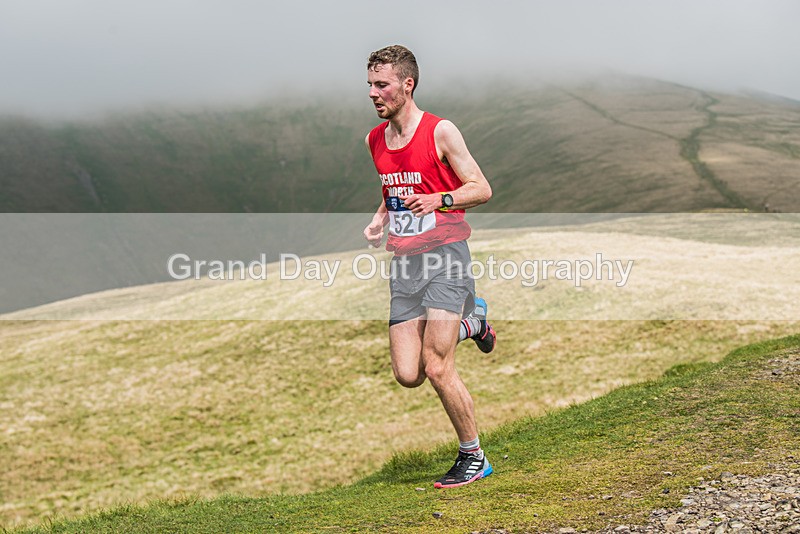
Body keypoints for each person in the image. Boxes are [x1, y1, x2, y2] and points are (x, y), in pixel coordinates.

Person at [362, 44, 497, 489]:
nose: (373, 94)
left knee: (438, 365)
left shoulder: (441, 132)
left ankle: (473, 456)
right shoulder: (375, 139)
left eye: (382, 85)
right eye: (370, 86)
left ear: (407, 84)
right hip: (404, 264)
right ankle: (473, 323)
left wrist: (439, 199)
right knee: (409, 373)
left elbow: (481, 188)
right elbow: (392, 186)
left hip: (445, 257)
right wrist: (381, 218)